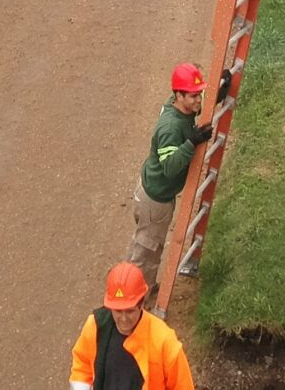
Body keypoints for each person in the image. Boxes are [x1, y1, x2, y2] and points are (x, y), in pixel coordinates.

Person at [126, 63, 213, 302]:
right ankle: (132, 301)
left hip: (152, 194)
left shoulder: (177, 107)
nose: (198, 100)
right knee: (147, 251)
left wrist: (219, 93)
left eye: (200, 94)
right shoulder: (171, 128)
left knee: (144, 246)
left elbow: (197, 107)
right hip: (155, 200)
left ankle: (142, 285)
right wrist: (191, 143)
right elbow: (170, 167)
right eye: (194, 96)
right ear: (179, 95)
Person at [69, 261, 195, 390]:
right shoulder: (95, 327)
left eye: (129, 311)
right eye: (118, 310)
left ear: (141, 304)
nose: (123, 319)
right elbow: (81, 366)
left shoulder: (164, 342)